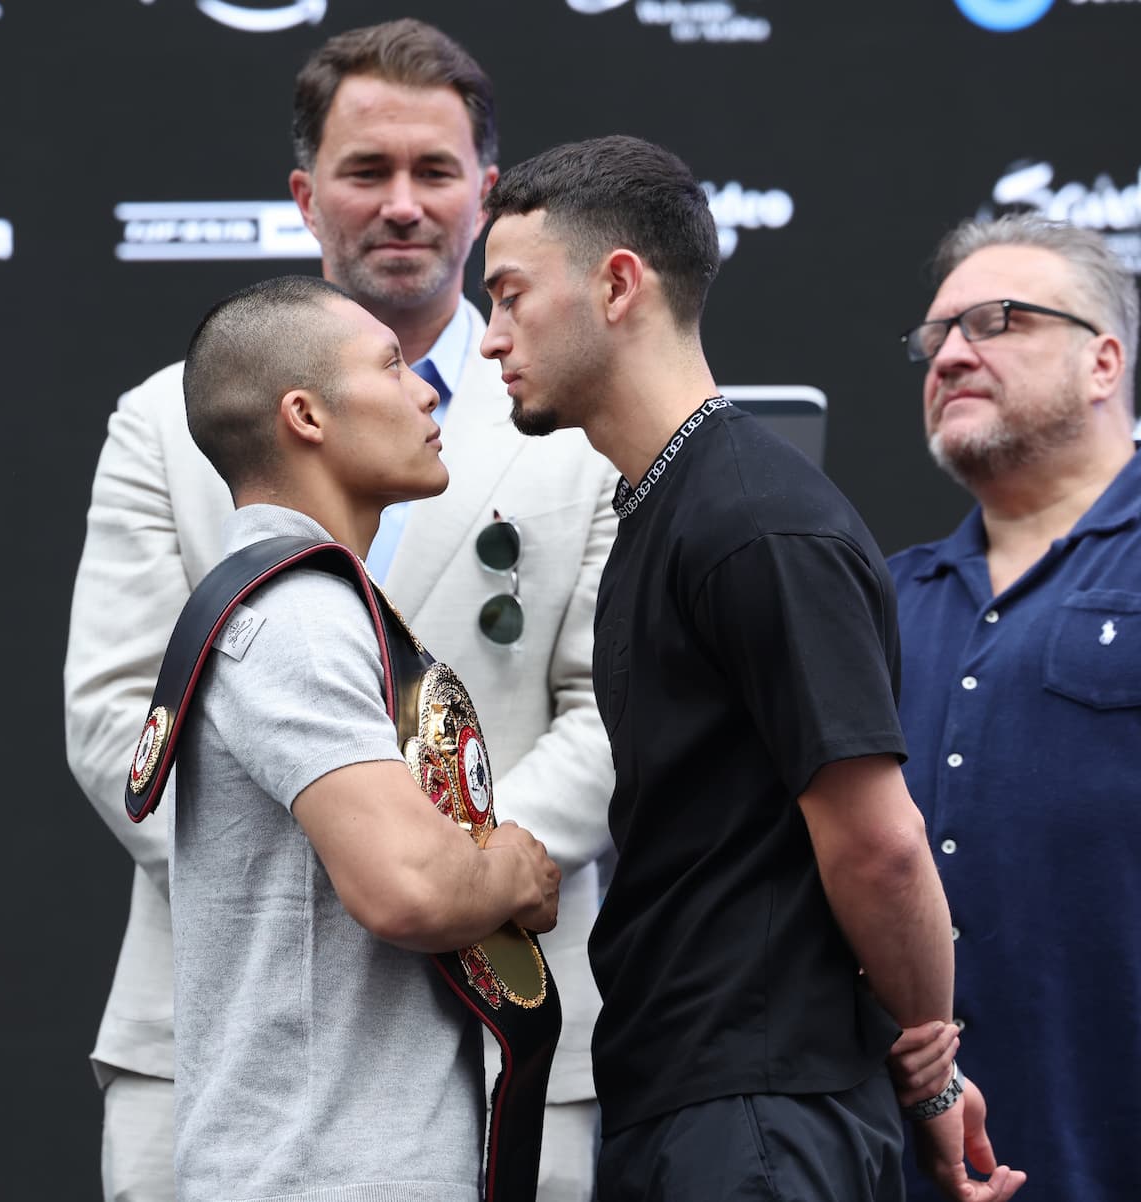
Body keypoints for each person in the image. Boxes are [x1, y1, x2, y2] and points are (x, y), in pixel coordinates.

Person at [64, 20, 615, 1202]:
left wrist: (445, 876)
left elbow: (612, 715)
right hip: (213, 1032)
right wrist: (349, 864)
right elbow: (122, 719)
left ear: (486, 192)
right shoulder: (165, 418)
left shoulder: (580, 423)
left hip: (515, 1028)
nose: (403, 204)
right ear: (308, 196)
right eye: (368, 172)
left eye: (434, 171)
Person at [478, 134, 1026, 1202]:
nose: (491, 338)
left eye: (509, 295)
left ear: (618, 284)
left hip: (760, 1118)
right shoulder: (667, 507)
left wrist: (928, 1067)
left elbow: (879, 843)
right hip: (700, 1100)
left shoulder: (754, 517)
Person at [163, 272, 561, 1199]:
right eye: (391, 366)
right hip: (329, 1172)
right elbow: (411, 889)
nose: (427, 388)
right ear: (306, 415)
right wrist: (514, 867)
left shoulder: (307, 603)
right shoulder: (299, 616)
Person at [889, 214, 1140, 1202]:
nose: (951, 353)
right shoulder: (883, 600)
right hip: (911, 1162)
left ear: (1103, 361)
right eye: (936, 336)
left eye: (998, 320)